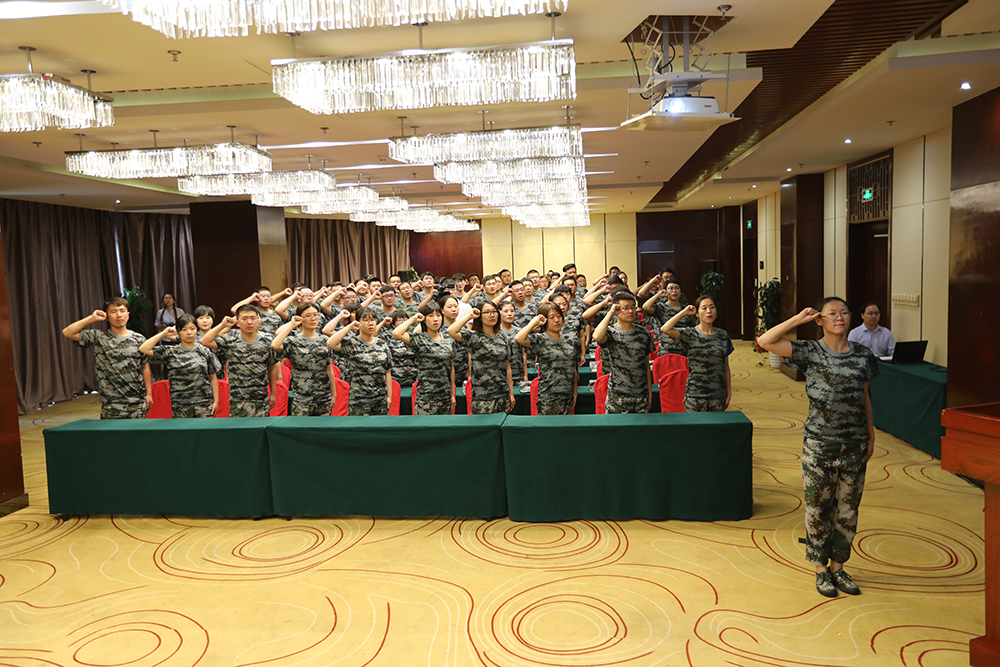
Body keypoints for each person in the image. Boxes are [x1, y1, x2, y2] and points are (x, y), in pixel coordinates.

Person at [757, 297, 878, 598]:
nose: (840, 317)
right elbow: (765, 341)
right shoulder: (810, 351)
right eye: (832, 313)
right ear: (820, 320)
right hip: (819, 444)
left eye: (844, 312)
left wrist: (870, 433)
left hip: (854, 443)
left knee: (847, 509)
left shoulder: (863, 355)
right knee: (818, 508)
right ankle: (820, 568)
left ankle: (838, 566)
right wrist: (798, 319)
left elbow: (865, 396)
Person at [62, 297, 152, 419]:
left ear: (128, 315)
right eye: (113, 311)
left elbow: (145, 366)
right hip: (111, 405)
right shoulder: (99, 337)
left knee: (139, 432)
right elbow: (68, 332)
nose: (119, 315)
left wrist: (149, 394)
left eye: (122, 311)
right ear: (107, 317)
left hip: (137, 403)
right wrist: (92, 318)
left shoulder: (139, 339)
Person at [200, 305, 278, 418]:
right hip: (238, 401)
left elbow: (272, 368)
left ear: (258, 320)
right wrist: (222, 325)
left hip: (261, 400)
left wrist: (273, 394)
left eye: (253, 318)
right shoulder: (231, 342)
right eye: (244, 318)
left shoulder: (267, 342)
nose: (249, 322)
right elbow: (204, 341)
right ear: (237, 322)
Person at [660, 296, 733, 412]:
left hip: (717, 395)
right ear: (697, 313)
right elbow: (665, 329)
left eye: (712, 307)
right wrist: (684, 312)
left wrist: (728, 393)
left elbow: (726, 367)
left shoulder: (723, 335)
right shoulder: (691, 334)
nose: (709, 311)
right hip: (695, 395)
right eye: (704, 308)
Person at [139, 314, 220, 418]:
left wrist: (216, 401)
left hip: (204, 404)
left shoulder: (204, 351)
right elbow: (143, 348)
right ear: (178, 332)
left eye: (192, 328)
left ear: (197, 330)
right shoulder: (171, 352)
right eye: (184, 329)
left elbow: (213, 377)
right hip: (180, 406)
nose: (189, 332)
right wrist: (164, 333)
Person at [447, 301, 514, 414]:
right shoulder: (473, 337)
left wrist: (511, 394)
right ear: (480, 317)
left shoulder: (503, 338)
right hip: (483, 397)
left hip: (503, 395)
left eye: (494, 312)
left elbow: (507, 367)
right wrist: (469, 316)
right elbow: (451, 331)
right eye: (487, 312)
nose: (491, 315)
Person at [271, 303, 337, 416]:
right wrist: (292, 325)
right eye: (308, 315)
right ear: (300, 318)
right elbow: (275, 345)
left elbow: (329, 368)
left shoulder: (325, 340)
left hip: (323, 398)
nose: (313, 318)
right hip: (302, 399)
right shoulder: (293, 341)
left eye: (315, 315)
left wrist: (334, 394)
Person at [593, 292, 654, 413]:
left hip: (641, 396)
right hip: (618, 396)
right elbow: (597, 336)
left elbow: (646, 365)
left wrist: (649, 393)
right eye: (625, 308)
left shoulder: (644, 333)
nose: (630, 311)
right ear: (617, 310)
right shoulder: (611, 332)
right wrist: (610, 313)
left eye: (633, 307)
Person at [327, 306, 393, 416]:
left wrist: (389, 396)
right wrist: (349, 327)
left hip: (380, 400)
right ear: (358, 322)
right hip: (358, 401)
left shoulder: (382, 344)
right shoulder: (352, 343)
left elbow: (387, 372)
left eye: (373, 319)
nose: (370, 323)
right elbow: (331, 343)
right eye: (365, 320)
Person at [393, 302, 456, 415]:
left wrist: (453, 394)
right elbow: (396, 333)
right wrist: (413, 319)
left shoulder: (448, 339)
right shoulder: (419, 339)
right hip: (426, 397)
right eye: (431, 316)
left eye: (438, 315)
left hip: (445, 396)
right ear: (424, 319)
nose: (435, 319)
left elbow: (451, 368)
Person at [515, 302, 578, 415]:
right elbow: (519, 338)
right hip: (548, 398)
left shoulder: (570, 340)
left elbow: (573, 369)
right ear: (545, 320)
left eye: (558, 316)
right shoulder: (540, 340)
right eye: (551, 317)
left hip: (567, 397)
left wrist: (575, 393)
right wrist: (534, 322)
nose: (557, 320)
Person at [643, 280, 696, 356]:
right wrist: (658, 294)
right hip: (666, 349)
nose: (674, 291)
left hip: (684, 349)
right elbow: (646, 307)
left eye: (677, 288)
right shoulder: (662, 308)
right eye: (671, 288)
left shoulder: (686, 310)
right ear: (666, 291)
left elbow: (692, 328)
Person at [498, 300, 528, 386]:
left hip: (519, 375)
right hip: (503, 377)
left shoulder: (519, 331)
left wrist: (525, 375)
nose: (510, 314)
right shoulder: (497, 332)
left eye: (512, 311)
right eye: (506, 311)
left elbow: (523, 354)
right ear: (499, 313)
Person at [387, 310, 418, 389]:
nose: (403, 322)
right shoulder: (388, 338)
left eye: (405, 320)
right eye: (399, 320)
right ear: (393, 325)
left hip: (414, 379)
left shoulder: (414, 336)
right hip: (396, 379)